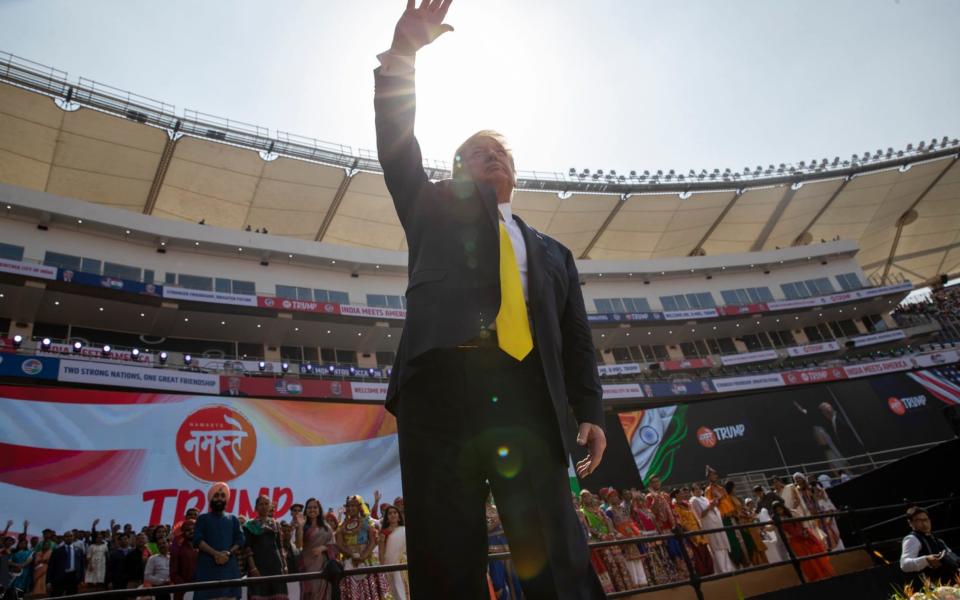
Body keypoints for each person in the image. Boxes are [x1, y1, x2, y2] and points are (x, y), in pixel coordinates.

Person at [374, 2, 608, 598]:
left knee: (556, 550)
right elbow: (396, 145)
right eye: (476, 150)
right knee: (446, 554)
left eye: (499, 150)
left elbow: (575, 337)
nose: (491, 155)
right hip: (440, 393)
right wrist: (404, 53)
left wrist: (590, 410)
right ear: (455, 169)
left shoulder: (553, 252)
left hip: (527, 398)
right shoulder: (429, 206)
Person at [193, 482, 244, 600]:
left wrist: (228, 553)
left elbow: (240, 540)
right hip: (208, 571)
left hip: (229, 571)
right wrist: (215, 554)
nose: (219, 498)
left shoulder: (233, 519)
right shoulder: (202, 518)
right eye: (216, 495)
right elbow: (197, 540)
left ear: (226, 499)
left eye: (222, 495)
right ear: (211, 499)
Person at [336, 495, 390, 599]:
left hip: (367, 560)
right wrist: (352, 556)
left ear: (359, 507)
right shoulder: (342, 525)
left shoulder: (366, 522)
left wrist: (363, 557)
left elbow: (373, 541)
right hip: (350, 562)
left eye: (354, 506)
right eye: (348, 506)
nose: (351, 508)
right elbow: (339, 544)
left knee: (371, 591)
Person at [772, 502, 835, 582]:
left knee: (815, 553)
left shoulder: (792, 512)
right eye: (777, 510)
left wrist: (805, 531)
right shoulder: (777, 519)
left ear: (783, 507)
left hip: (805, 535)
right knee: (805, 559)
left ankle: (825, 573)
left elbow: (803, 522)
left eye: (780, 509)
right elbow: (781, 531)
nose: (779, 511)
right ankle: (815, 577)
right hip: (795, 540)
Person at [243, 495, 289, 600]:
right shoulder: (249, 525)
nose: (264, 506)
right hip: (258, 567)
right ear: (256, 507)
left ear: (270, 506)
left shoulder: (275, 524)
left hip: (276, 567)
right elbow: (247, 548)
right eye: (261, 504)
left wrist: (285, 565)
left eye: (266, 504)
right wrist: (253, 568)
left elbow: (280, 547)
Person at [900, 506, 959, 583]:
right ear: (910, 523)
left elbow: (952, 556)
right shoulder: (912, 539)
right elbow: (904, 565)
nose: (924, 523)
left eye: (926, 519)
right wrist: (926, 559)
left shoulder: (936, 538)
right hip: (933, 586)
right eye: (919, 520)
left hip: (951, 583)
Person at [690, 482, 734, 574]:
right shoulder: (694, 500)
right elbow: (700, 515)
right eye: (695, 489)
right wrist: (711, 506)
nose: (698, 490)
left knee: (722, 544)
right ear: (692, 492)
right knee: (716, 546)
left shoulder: (704, 498)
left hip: (716, 523)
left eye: (698, 488)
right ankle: (722, 569)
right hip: (708, 525)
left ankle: (728, 567)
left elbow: (712, 507)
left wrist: (714, 503)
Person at [295, 498, 334, 600]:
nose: (312, 510)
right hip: (306, 566)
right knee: (309, 593)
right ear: (306, 510)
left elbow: (334, 546)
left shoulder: (326, 527)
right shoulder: (303, 526)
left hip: (323, 566)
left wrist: (323, 548)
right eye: (309, 508)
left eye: (315, 507)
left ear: (319, 509)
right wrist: (300, 527)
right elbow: (299, 545)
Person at [673, 487, 715, 577]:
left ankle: (710, 570)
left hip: (696, 528)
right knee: (696, 552)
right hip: (688, 532)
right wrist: (688, 531)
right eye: (680, 492)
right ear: (676, 495)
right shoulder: (675, 507)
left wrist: (699, 527)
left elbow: (695, 516)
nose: (683, 494)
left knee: (703, 548)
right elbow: (680, 521)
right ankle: (701, 572)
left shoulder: (687, 504)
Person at [379, 505, 409, 600]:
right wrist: (383, 569)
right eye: (390, 513)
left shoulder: (404, 530)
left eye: (395, 513)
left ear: (399, 516)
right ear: (386, 518)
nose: (393, 515)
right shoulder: (384, 533)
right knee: (395, 588)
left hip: (404, 564)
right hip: (391, 566)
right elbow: (381, 552)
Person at [47, 530, 85, 596]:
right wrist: (48, 581)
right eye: (67, 536)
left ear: (73, 537)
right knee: (56, 595)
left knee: (72, 596)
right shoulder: (57, 551)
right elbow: (51, 566)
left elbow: (82, 566)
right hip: (60, 577)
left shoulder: (79, 550)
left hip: (73, 577)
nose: (69, 538)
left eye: (71, 536)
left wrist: (82, 579)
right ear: (64, 538)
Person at [170, 520, 197, 600]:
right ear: (183, 532)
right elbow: (173, 574)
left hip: (202, 588)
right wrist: (187, 586)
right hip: (183, 591)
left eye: (193, 529)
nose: (191, 531)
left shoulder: (203, 545)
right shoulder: (177, 548)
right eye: (188, 530)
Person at [84, 523, 109, 590]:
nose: (99, 538)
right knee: (91, 583)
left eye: (100, 537)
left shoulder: (105, 546)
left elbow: (107, 556)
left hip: (101, 565)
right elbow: (88, 557)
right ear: (95, 538)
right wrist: (90, 565)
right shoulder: (91, 546)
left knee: (100, 583)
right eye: (98, 537)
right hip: (92, 565)